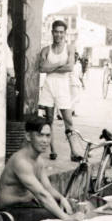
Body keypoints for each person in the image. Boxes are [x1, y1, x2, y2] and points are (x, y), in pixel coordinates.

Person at [0, 116, 84, 221]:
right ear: (28, 136)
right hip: (9, 212)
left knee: (71, 208)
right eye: (40, 135)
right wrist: (66, 218)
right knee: (57, 219)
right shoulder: (21, 161)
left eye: (48, 136)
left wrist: (62, 198)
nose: (45, 140)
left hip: (26, 207)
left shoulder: (38, 160)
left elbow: (47, 188)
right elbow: (42, 195)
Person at [38, 20, 82, 161]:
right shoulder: (46, 50)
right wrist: (59, 64)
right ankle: (53, 150)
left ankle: (74, 151)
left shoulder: (70, 48)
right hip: (49, 86)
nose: (58, 34)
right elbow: (41, 68)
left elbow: (69, 67)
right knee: (49, 119)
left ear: (65, 33)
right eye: (56, 31)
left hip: (63, 86)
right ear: (52, 32)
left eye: (61, 32)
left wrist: (51, 66)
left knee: (68, 119)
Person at [70, 51, 84, 116]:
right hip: (70, 82)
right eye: (74, 56)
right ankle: (69, 111)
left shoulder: (79, 65)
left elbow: (80, 76)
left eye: (76, 57)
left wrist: (83, 84)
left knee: (76, 98)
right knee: (73, 97)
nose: (75, 58)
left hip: (76, 83)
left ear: (78, 57)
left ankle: (72, 111)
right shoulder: (69, 64)